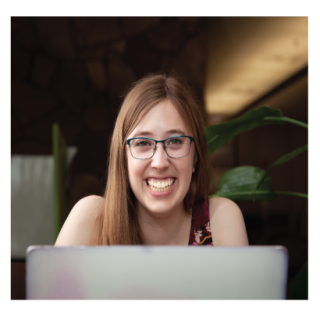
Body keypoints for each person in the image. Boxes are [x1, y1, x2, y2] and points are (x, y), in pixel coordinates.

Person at [55, 73, 248, 247]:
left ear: (195, 156)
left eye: (175, 141)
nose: (160, 162)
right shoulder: (93, 219)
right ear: (123, 158)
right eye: (143, 143)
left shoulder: (219, 220)